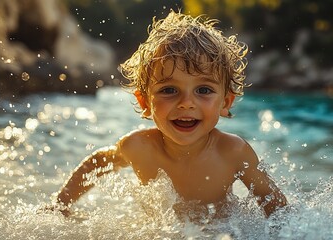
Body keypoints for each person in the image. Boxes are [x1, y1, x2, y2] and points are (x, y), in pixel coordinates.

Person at [52, 10, 287, 218]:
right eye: (169, 90)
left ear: (225, 103)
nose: (186, 103)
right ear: (145, 102)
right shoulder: (138, 147)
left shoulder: (233, 152)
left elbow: (277, 208)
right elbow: (98, 162)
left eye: (203, 90)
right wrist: (60, 205)